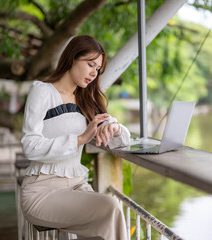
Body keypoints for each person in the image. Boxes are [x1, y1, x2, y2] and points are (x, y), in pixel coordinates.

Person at [20, 35, 130, 240]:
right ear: (71, 58)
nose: (93, 73)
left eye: (97, 69)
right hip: (41, 192)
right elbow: (29, 145)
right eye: (90, 64)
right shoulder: (43, 91)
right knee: (110, 207)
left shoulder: (87, 100)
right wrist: (79, 139)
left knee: (106, 222)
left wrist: (114, 127)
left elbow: (123, 142)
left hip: (76, 186)